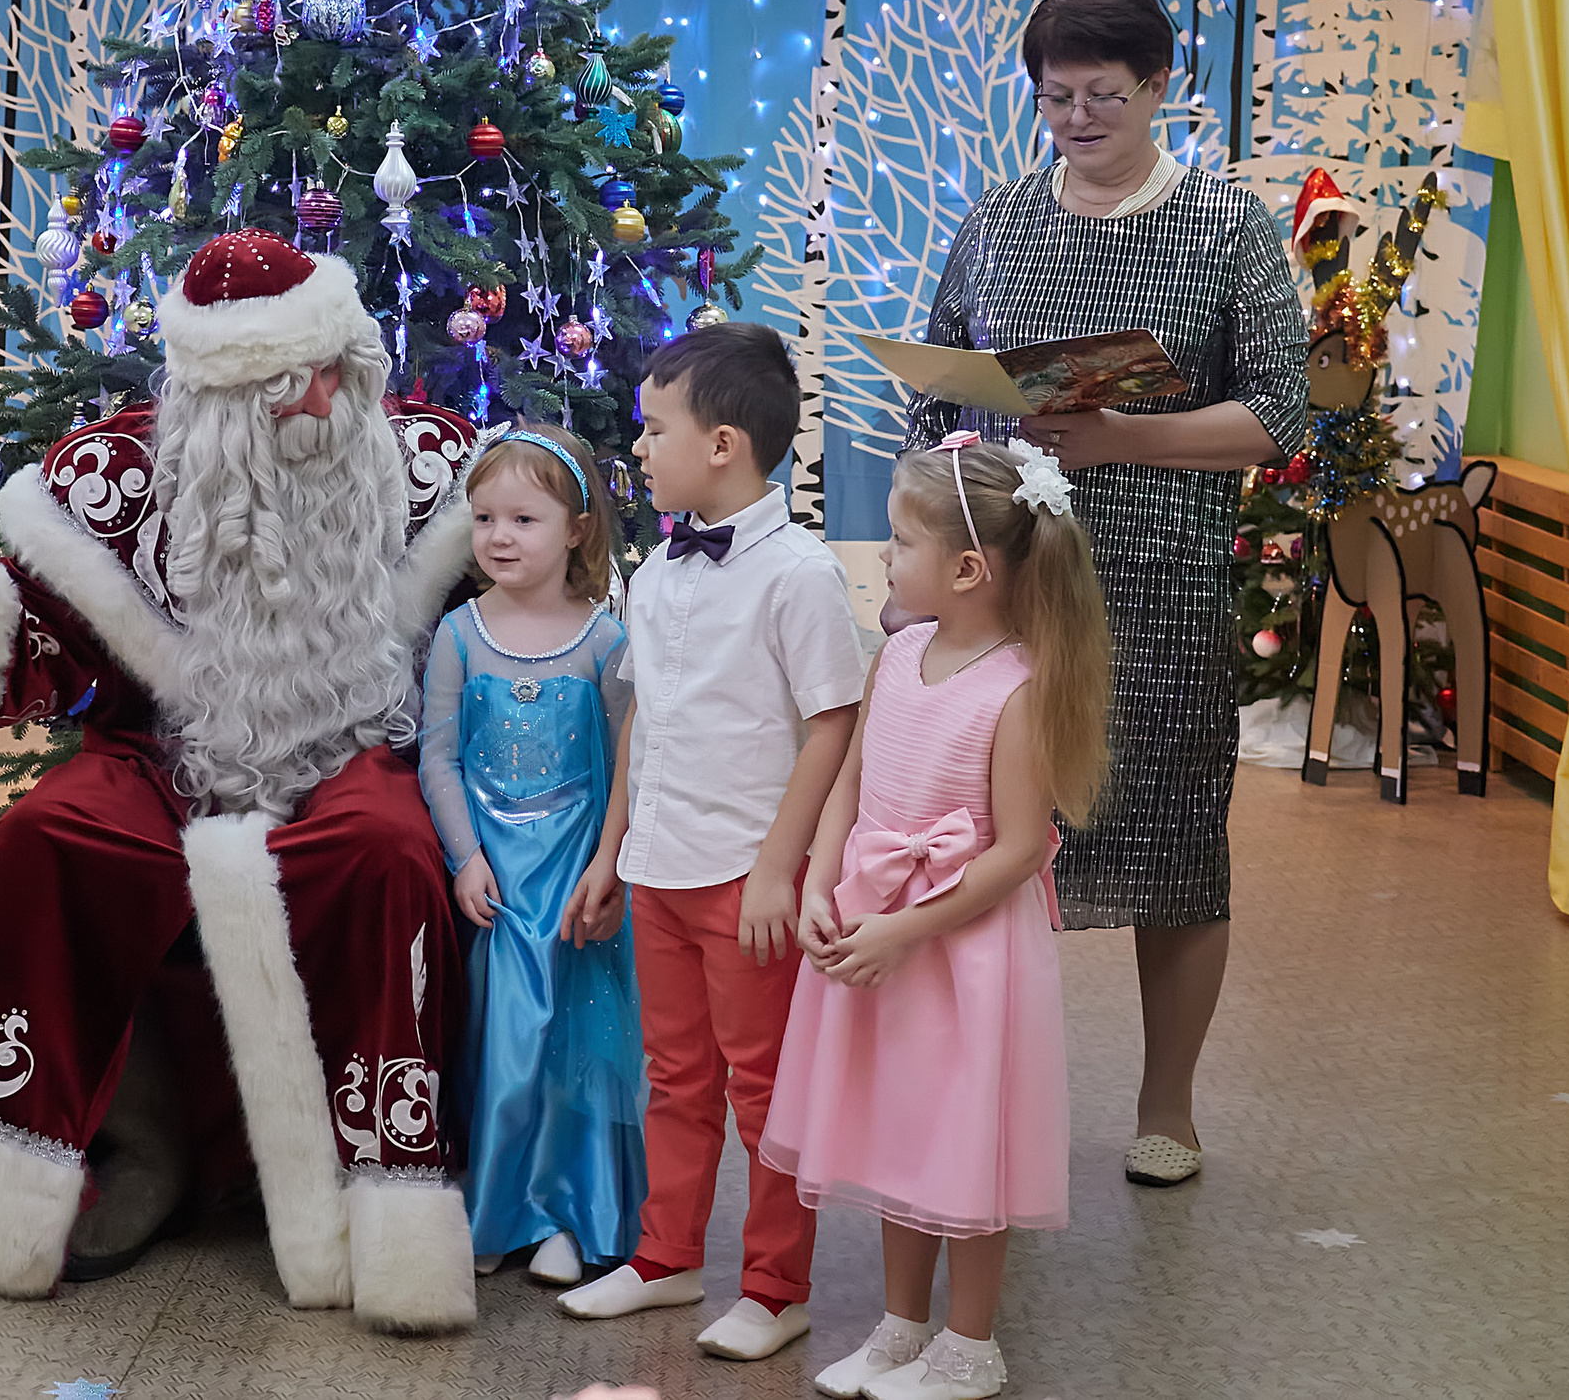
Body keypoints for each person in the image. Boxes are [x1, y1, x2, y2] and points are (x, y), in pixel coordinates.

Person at [0, 229, 485, 1334]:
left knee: (383, 852)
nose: (329, 399)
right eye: (296, 385)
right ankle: (122, 1149)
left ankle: (381, 1184)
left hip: (360, 748)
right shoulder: (111, 483)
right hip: (167, 753)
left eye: (341, 367)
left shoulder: (430, 467)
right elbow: (15, 649)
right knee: (46, 838)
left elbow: (537, 608)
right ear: (222, 402)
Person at [902, 0, 1307, 1189]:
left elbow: (1281, 413)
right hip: (1010, 589)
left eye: (1102, 96)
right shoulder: (1002, 216)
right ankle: (974, 1092)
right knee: (979, 840)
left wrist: (1125, 437)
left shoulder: (1226, 226)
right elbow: (936, 388)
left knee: (1174, 841)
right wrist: (961, 434)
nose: (1077, 118)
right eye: (1055, 98)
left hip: (1160, 583)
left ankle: (1167, 1108)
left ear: (1157, 89)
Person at [767, 435, 1111, 1400]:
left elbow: (1016, 849)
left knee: (965, 1133)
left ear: (967, 569)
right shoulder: (903, 649)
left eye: (899, 540)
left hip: (960, 948)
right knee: (896, 1120)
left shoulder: (1017, 687)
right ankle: (900, 1324)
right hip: (876, 925)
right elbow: (854, 783)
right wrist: (818, 881)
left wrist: (902, 929)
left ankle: (970, 1342)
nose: (884, 557)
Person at [556, 322, 866, 1364]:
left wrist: (782, 866)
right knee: (674, 1077)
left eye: (654, 429)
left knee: (760, 1089)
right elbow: (644, 723)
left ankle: (777, 1287)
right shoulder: (658, 576)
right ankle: (665, 1257)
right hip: (658, 867)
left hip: (745, 875)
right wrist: (611, 853)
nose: (638, 449)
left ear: (722, 445)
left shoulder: (798, 575)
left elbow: (833, 722)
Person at [419, 424, 643, 1287]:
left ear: (577, 529)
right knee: (504, 1034)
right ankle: (496, 1205)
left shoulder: (604, 641)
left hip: (576, 864)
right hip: (497, 872)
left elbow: (627, 760)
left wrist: (609, 864)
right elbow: (439, 755)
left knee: (573, 1043)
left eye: (524, 518)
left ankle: (566, 1213)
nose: (500, 536)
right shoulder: (460, 634)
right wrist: (466, 856)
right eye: (484, 518)